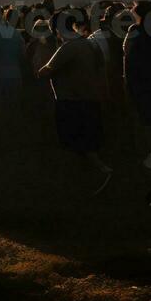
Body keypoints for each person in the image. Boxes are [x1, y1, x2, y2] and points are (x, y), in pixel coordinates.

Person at [38, 14, 114, 194]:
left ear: (57, 30)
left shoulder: (69, 47)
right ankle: (86, 180)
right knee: (87, 141)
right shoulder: (89, 44)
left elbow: (45, 70)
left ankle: (101, 171)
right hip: (90, 98)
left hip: (72, 100)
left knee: (76, 142)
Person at [126, 1, 151, 170]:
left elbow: (132, 65)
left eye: (134, 11)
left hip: (146, 88)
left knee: (149, 123)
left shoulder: (137, 35)